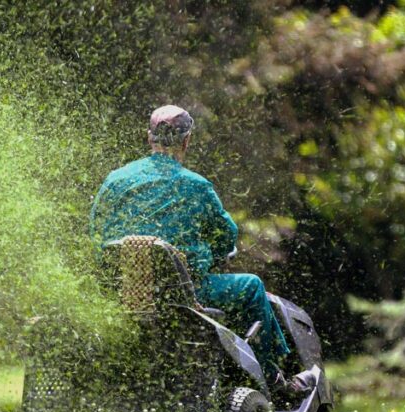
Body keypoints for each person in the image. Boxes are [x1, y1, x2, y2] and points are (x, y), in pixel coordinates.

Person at [89, 104, 295, 385]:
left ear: (149, 138)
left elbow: (96, 234)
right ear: (187, 140)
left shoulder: (115, 181)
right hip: (185, 296)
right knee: (251, 287)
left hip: (121, 294)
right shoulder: (196, 187)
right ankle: (271, 377)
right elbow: (226, 237)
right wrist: (210, 252)